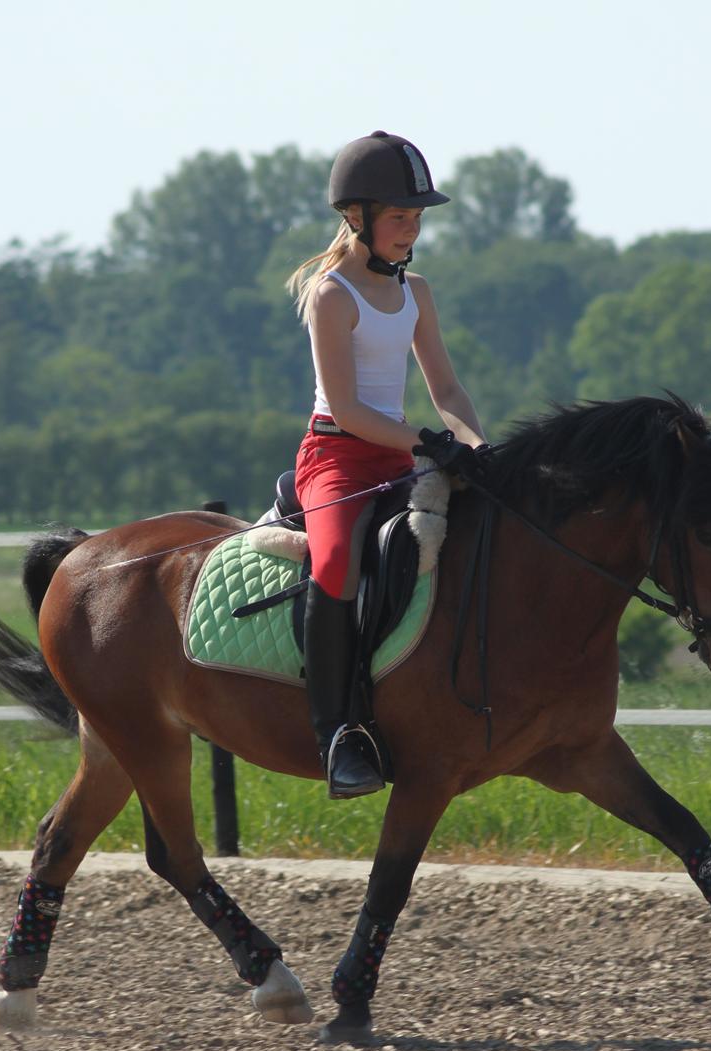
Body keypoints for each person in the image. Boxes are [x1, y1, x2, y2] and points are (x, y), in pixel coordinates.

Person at [286, 130, 488, 799]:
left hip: (402, 448)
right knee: (338, 559)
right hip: (337, 456)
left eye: (417, 217)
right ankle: (336, 735)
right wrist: (429, 443)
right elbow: (345, 411)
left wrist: (475, 447)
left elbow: (448, 391)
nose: (412, 230)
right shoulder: (332, 296)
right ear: (356, 217)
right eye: (400, 217)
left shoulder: (416, 293)